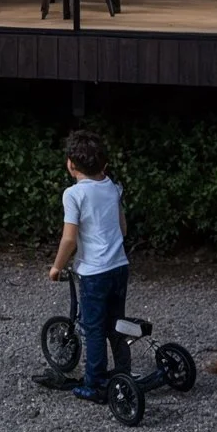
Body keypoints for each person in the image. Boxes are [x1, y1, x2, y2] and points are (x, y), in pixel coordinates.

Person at [46, 129, 129, 404]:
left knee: (93, 329)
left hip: (94, 273)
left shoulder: (74, 194)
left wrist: (57, 267)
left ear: (71, 163)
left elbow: (69, 238)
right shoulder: (112, 187)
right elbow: (123, 229)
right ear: (104, 165)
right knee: (117, 324)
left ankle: (95, 384)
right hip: (119, 266)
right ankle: (123, 375)